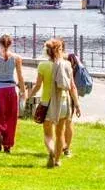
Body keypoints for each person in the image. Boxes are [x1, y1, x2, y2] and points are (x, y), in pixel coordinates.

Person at [34, 38, 79, 169]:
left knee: (48, 134)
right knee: (60, 133)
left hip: (47, 103)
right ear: (60, 50)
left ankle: (52, 151)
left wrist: (29, 95)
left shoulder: (43, 65)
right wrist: (76, 104)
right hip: (64, 102)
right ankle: (58, 160)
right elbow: (72, 86)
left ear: (47, 51)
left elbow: (37, 86)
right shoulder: (67, 65)